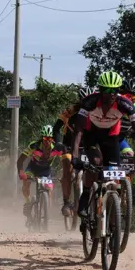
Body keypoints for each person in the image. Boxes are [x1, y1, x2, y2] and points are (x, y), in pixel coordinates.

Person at [71, 71, 135, 218]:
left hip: (111, 136)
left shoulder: (125, 104)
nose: (110, 94)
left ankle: (114, 218)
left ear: (119, 91)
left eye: (114, 90)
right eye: (106, 90)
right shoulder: (89, 102)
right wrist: (75, 155)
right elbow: (78, 130)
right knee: (95, 162)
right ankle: (86, 195)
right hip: (91, 134)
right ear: (100, 90)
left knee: (114, 172)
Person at [52, 85, 97, 216]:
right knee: (67, 168)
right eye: (84, 101)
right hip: (69, 144)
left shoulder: (98, 110)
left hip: (88, 145)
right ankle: (66, 202)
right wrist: (58, 143)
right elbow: (56, 128)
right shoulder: (70, 111)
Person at [16, 125, 67, 224]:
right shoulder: (34, 146)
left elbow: (64, 162)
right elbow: (20, 160)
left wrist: (64, 174)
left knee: (50, 189)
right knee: (26, 183)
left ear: (52, 139)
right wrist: (21, 172)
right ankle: (27, 203)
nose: (47, 140)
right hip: (32, 169)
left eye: (49, 138)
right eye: (44, 138)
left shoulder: (57, 148)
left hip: (46, 171)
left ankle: (47, 213)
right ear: (42, 137)